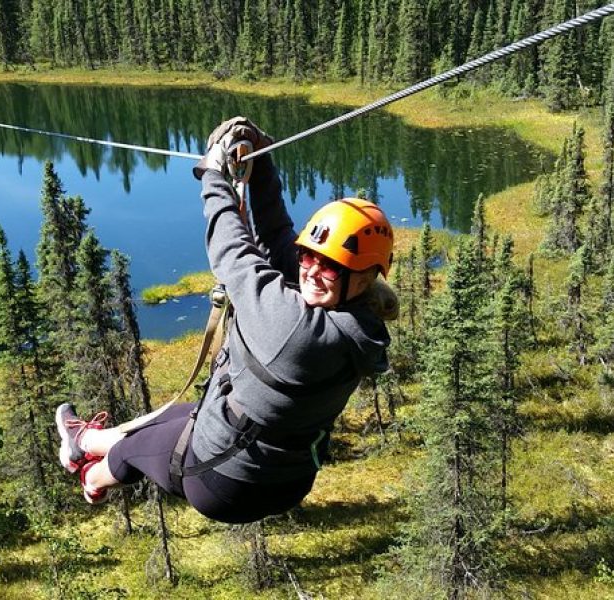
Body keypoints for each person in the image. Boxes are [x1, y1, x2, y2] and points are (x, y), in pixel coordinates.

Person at [55, 117, 397, 524]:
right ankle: (84, 440)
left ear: (364, 276)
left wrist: (213, 174)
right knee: (172, 416)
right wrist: (262, 166)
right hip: (286, 477)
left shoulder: (296, 329)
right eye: (309, 256)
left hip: (224, 482)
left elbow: (234, 252)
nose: (310, 269)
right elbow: (277, 237)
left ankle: (90, 476)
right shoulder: (355, 319)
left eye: (330, 266)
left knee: (133, 450)